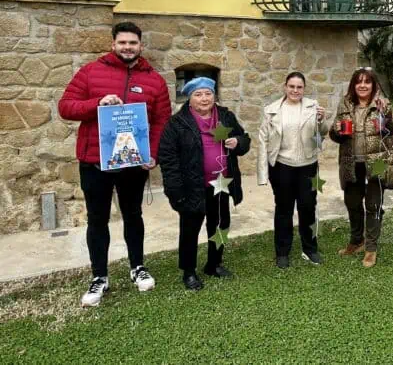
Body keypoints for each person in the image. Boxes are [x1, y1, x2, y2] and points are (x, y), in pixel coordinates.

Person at [58, 21, 172, 307]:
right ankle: (99, 276)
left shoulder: (154, 80)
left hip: (133, 164)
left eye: (133, 43)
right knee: (97, 220)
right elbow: (65, 107)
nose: (127, 47)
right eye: (122, 43)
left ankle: (137, 267)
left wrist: (153, 153)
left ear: (140, 46)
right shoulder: (90, 72)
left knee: (133, 215)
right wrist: (97, 103)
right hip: (95, 161)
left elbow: (161, 121)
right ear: (113, 44)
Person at [158, 77, 251, 290]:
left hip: (221, 183)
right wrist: (175, 192)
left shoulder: (225, 117)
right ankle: (189, 272)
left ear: (214, 96)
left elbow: (244, 140)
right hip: (193, 187)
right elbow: (167, 158)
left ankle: (214, 263)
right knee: (190, 230)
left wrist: (238, 142)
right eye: (198, 94)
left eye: (208, 93)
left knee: (220, 225)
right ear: (189, 99)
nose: (204, 98)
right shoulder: (177, 123)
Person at [329, 68, 393, 268]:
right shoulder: (345, 104)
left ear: (373, 85)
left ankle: (371, 247)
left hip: (377, 161)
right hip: (352, 162)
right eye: (358, 82)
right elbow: (334, 134)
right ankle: (356, 240)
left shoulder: (383, 103)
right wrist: (336, 131)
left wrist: (385, 112)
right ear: (353, 85)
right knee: (352, 202)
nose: (362, 85)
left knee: (373, 204)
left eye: (367, 82)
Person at [257, 72, 329, 269]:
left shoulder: (313, 107)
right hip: (282, 167)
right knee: (283, 210)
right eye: (292, 86)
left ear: (304, 89)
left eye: (299, 87)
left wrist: (322, 121)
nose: (295, 90)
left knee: (308, 208)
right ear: (285, 87)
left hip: (308, 166)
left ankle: (310, 249)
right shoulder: (271, 110)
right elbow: (263, 140)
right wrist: (262, 173)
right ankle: (282, 252)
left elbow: (322, 135)